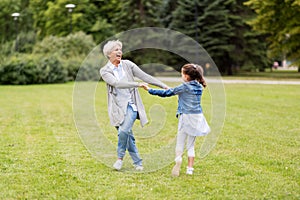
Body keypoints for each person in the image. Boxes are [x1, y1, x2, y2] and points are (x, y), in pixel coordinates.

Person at [100, 40, 168, 171]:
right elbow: (117, 83)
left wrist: (163, 86)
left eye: (120, 49)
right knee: (127, 136)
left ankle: (119, 159)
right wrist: (137, 84)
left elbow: (146, 77)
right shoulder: (104, 71)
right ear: (109, 54)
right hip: (116, 108)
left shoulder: (128, 65)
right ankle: (138, 162)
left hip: (130, 104)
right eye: (116, 50)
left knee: (123, 131)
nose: (119, 52)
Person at [142, 63, 210, 176]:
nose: (181, 75)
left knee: (180, 142)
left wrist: (149, 90)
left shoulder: (184, 86)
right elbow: (180, 93)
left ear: (187, 76)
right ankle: (189, 169)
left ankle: (178, 160)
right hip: (197, 117)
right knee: (191, 145)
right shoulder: (199, 87)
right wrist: (174, 90)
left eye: (182, 73)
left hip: (186, 117)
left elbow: (166, 93)